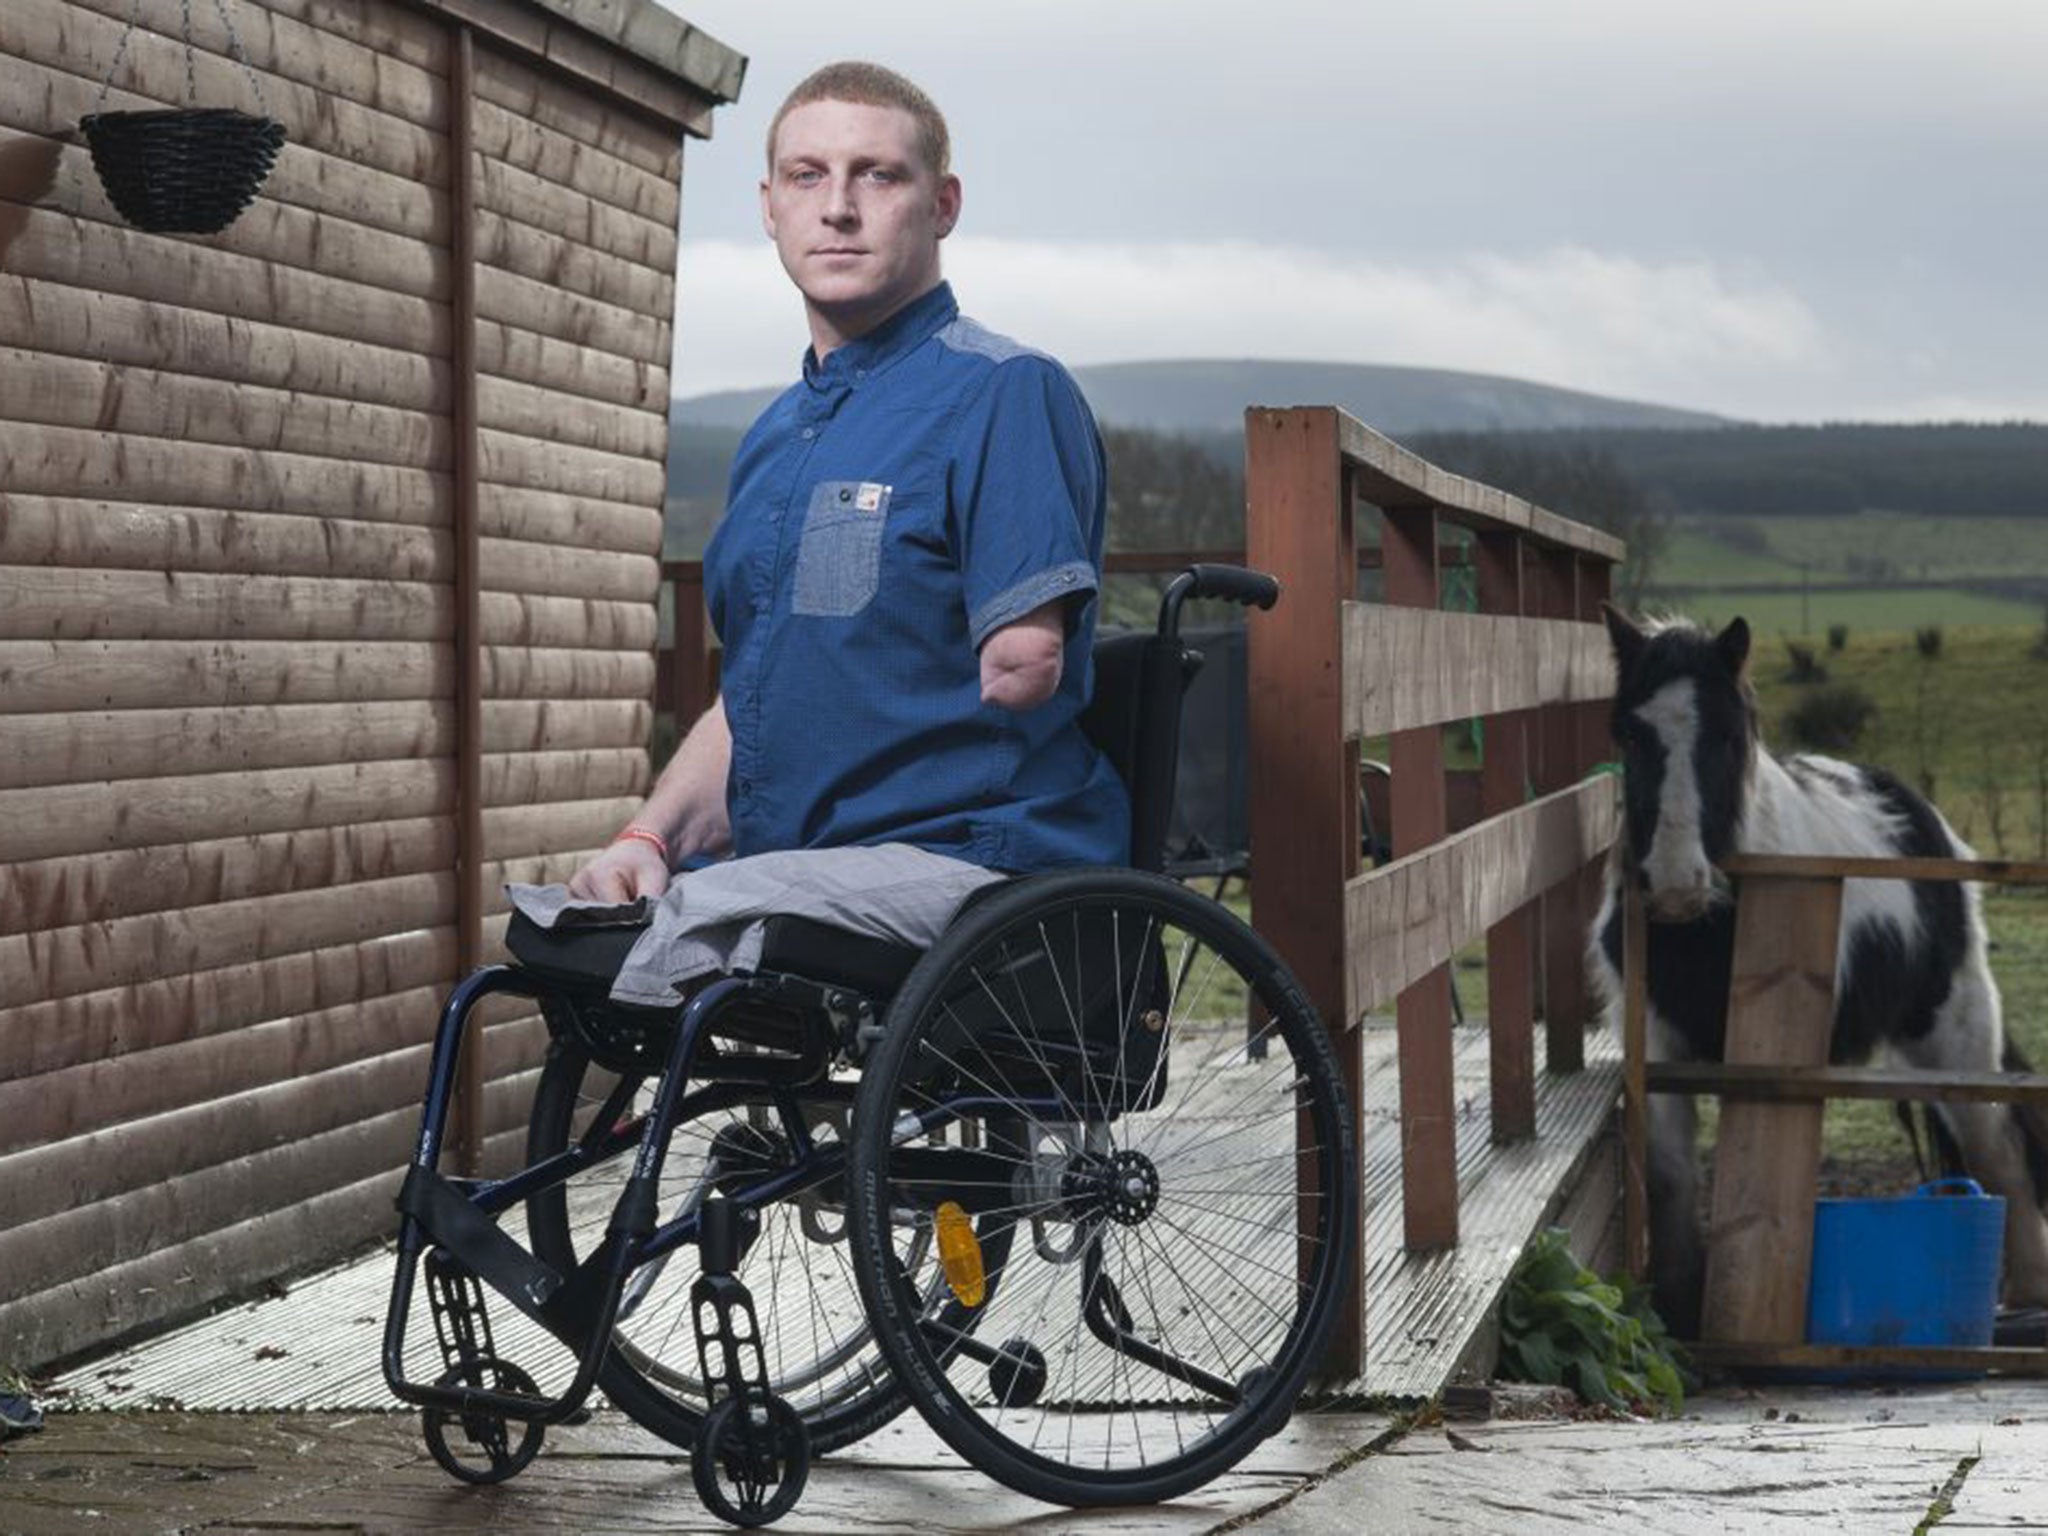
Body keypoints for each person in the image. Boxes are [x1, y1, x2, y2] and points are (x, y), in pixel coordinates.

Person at [543, 62, 1126, 996]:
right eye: (808, 176)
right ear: (770, 206)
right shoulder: (779, 434)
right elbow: (758, 696)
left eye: (878, 175)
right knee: (571, 926)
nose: (839, 207)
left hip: (971, 857)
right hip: (801, 867)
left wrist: (1018, 638)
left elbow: (1024, 668)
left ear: (942, 205)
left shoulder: (1004, 392)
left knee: (684, 936)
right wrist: (648, 837)